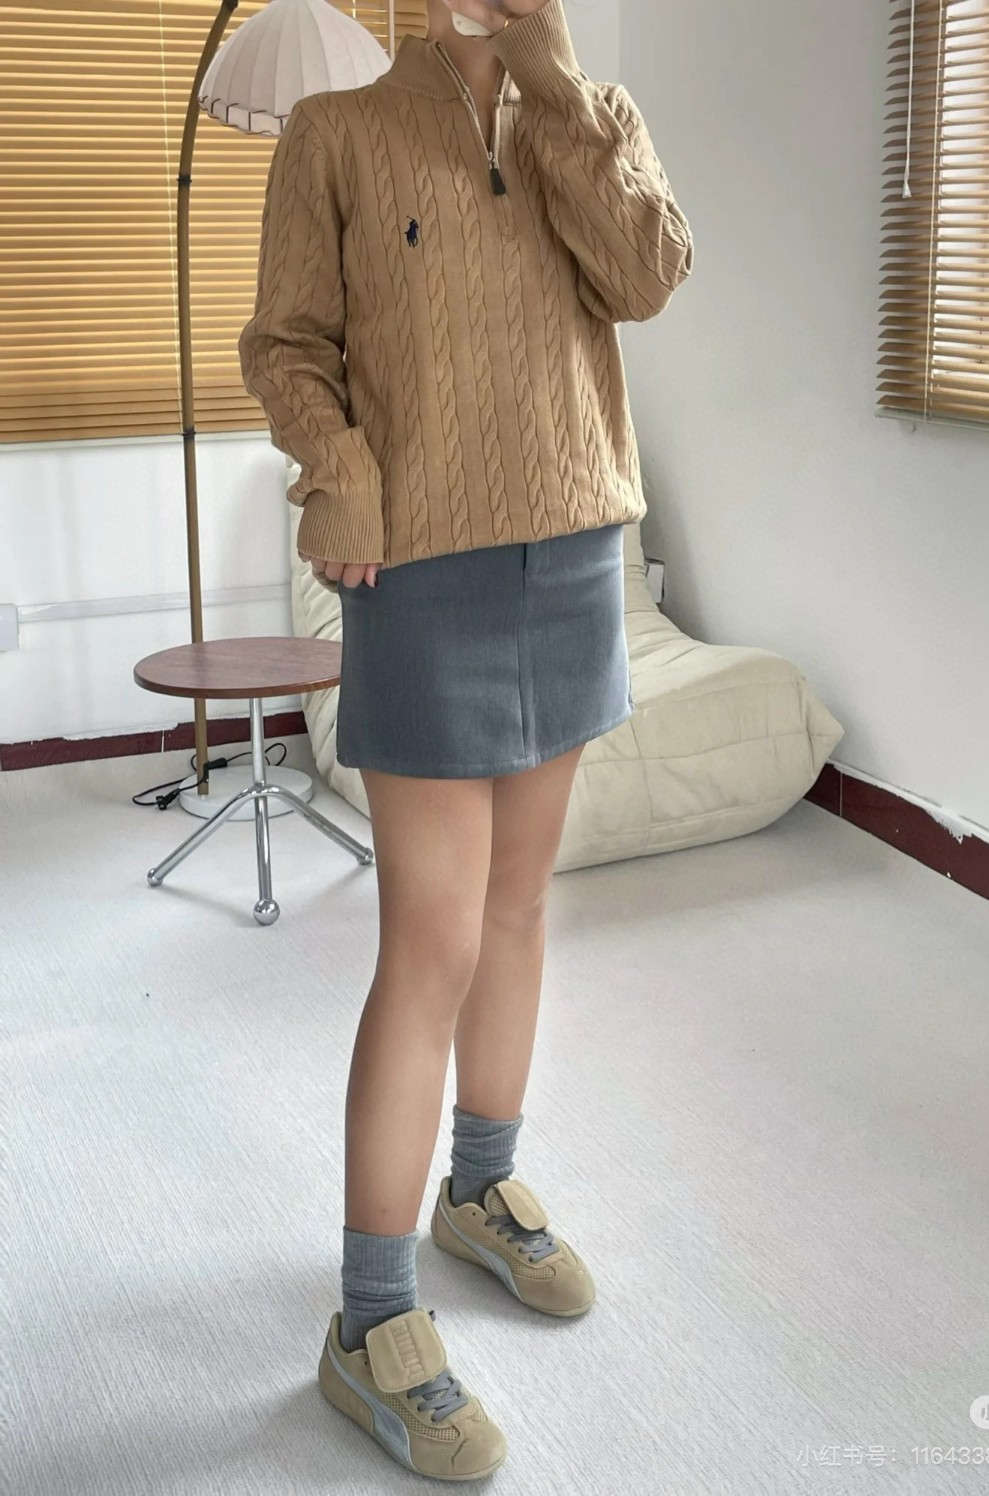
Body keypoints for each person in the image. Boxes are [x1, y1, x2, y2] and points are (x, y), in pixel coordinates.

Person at [238, 0, 691, 1480]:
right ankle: (370, 1319)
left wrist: (556, 83)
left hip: (576, 549)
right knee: (429, 941)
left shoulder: (591, 115)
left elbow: (647, 276)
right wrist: (341, 473)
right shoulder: (337, 134)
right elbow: (286, 343)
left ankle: (480, 1192)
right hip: (424, 568)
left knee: (517, 909)